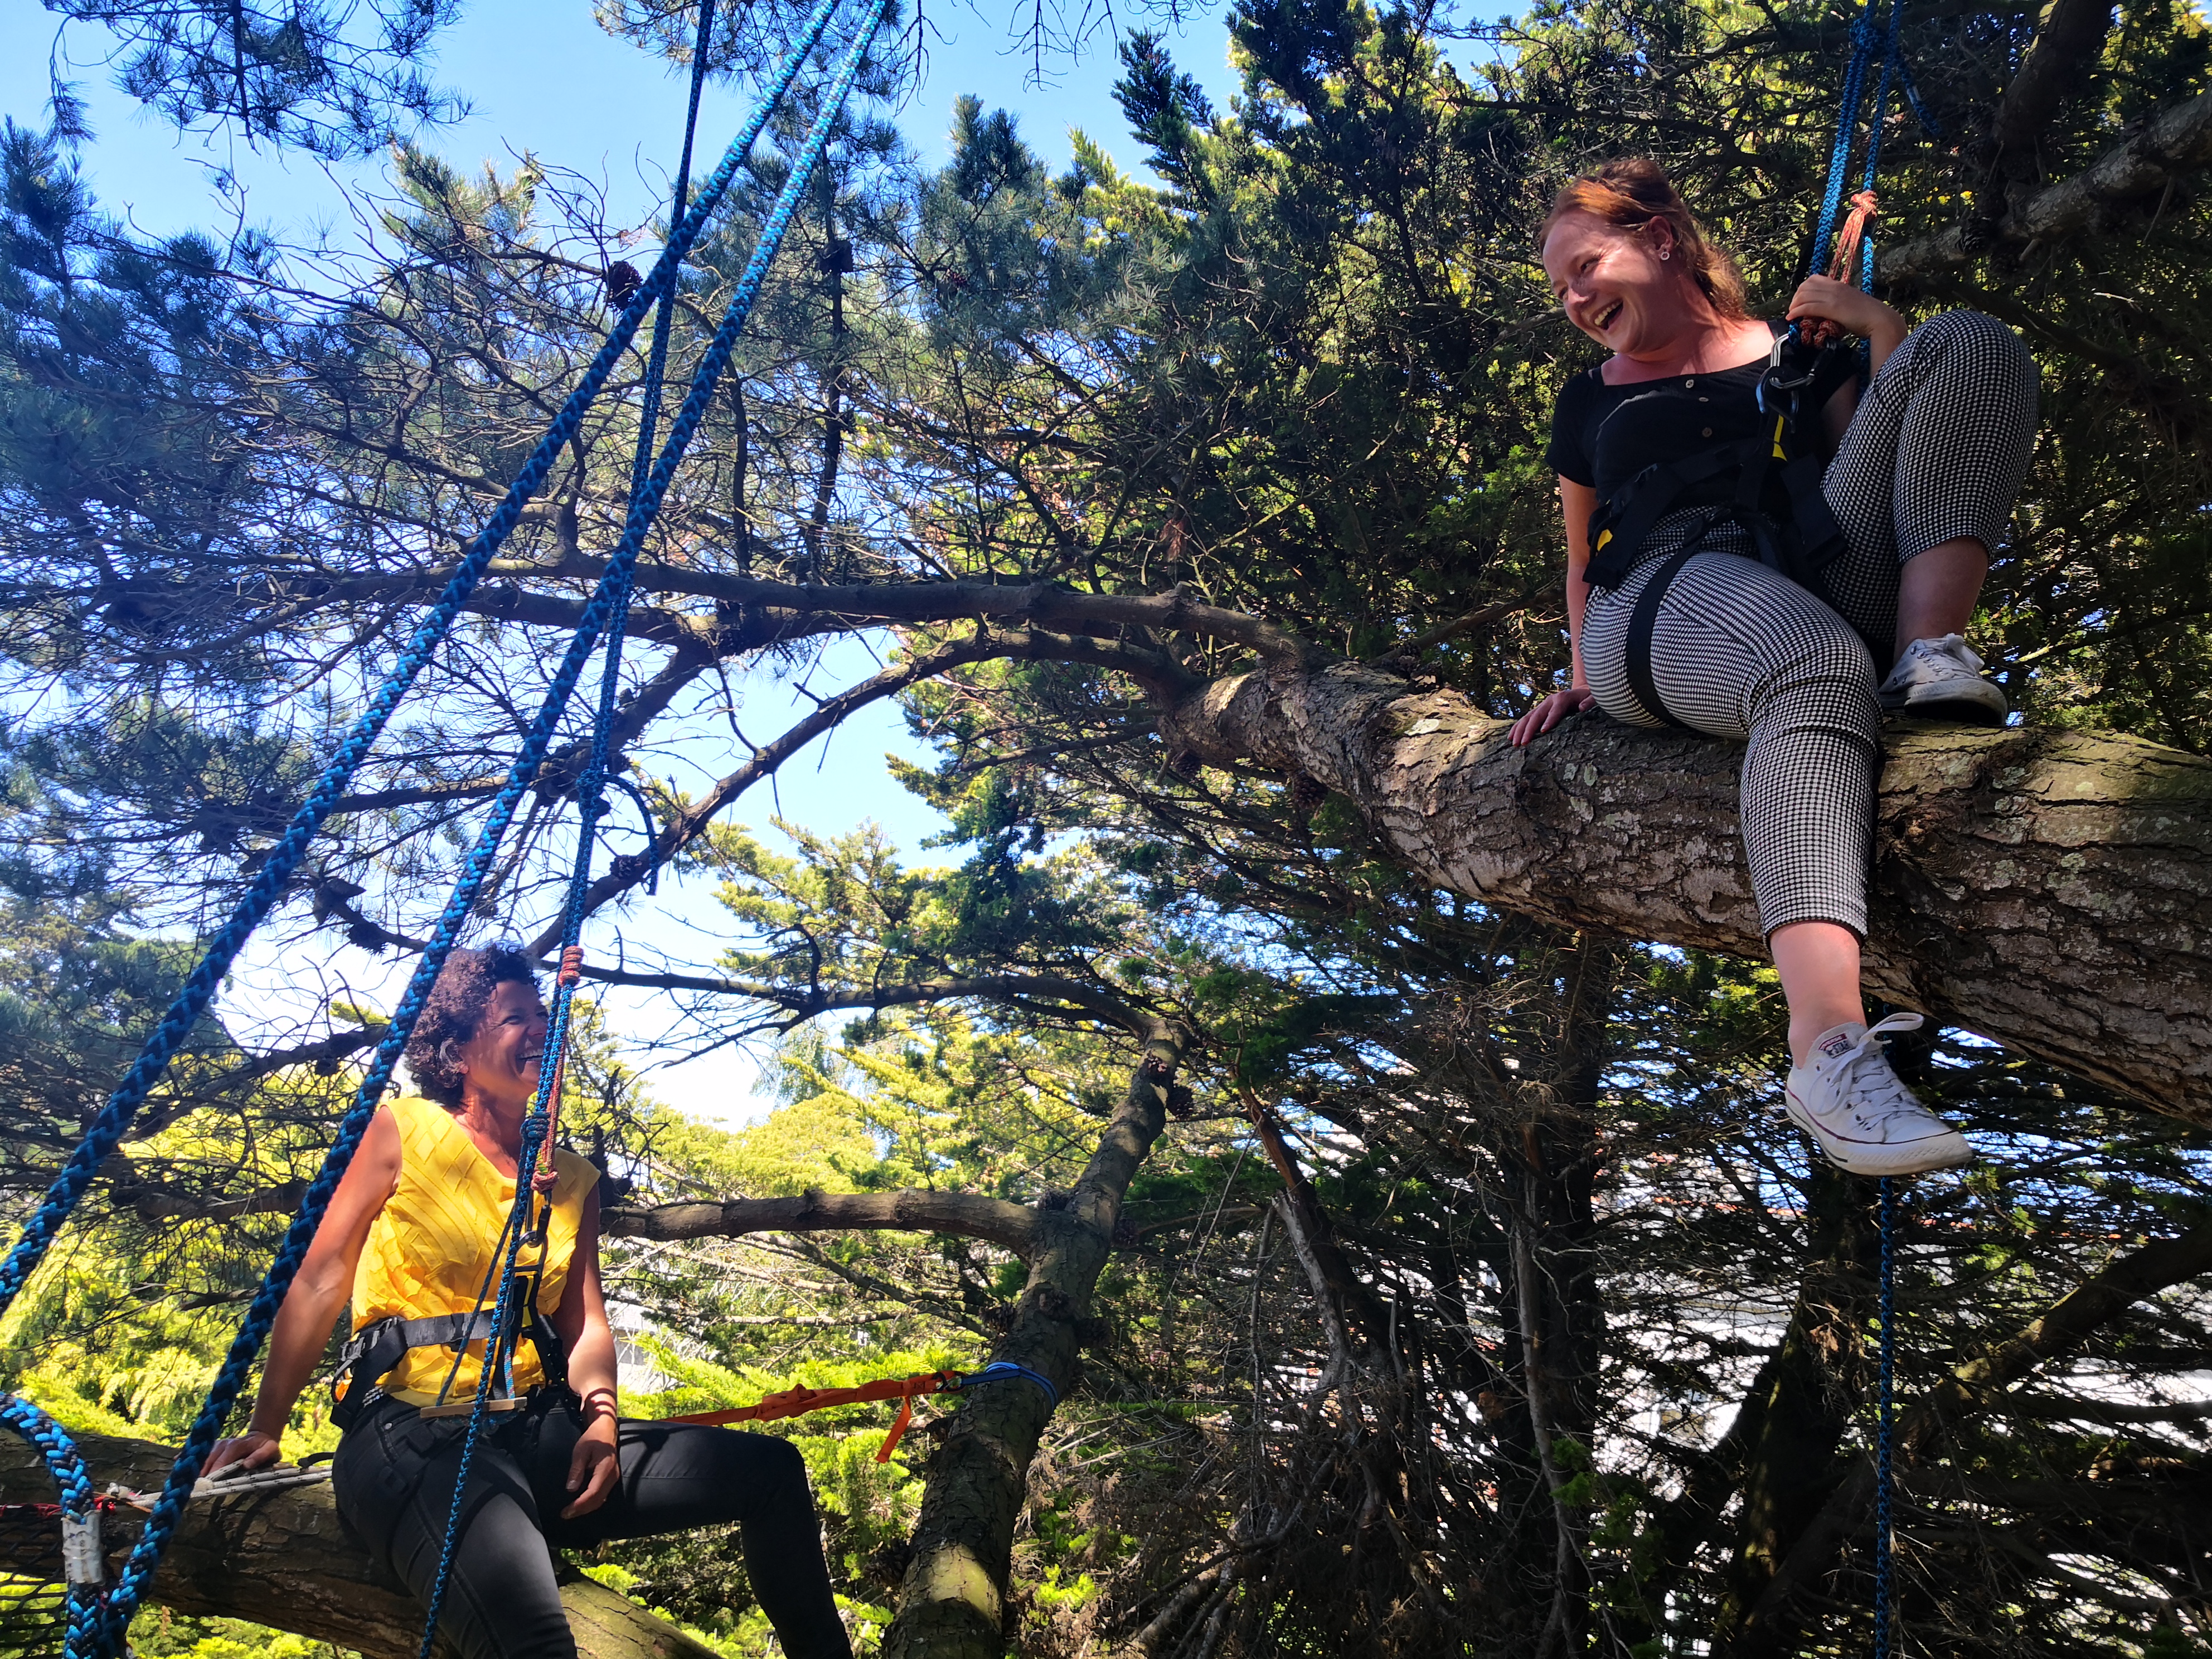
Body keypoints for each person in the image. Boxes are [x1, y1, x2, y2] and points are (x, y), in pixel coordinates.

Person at [1514, 158, 2039, 1178]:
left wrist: (1875, 332)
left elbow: (1895, 474)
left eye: (1586, 266)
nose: (1574, 299)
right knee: (1807, 663)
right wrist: (1580, 672)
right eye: (1559, 287)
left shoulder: (1799, 353)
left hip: (1811, 569)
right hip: (1658, 600)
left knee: (1966, 343)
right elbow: (1583, 558)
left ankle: (1929, 655)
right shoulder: (1588, 403)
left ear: (1659, 239)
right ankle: (1824, 1049)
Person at [206, 945, 853, 1659]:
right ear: (457, 1051)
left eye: (543, 1015)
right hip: (410, 1431)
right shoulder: (403, 1129)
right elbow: (320, 1279)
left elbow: (586, 1328)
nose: (541, 1029)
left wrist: (601, 1423)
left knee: (771, 1473)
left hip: (534, 1429)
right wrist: (268, 1425)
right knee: (535, 1641)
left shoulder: (570, 1178)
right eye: (517, 1018)